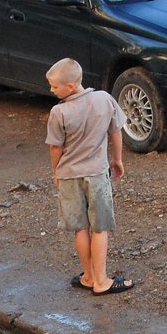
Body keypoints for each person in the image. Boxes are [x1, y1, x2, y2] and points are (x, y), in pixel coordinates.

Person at [46, 58, 134, 295]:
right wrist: (117, 160)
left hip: (68, 176)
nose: (51, 90)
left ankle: (89, 276)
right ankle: (102, 281)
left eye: (54, 86)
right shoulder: (104, 99)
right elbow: (116, 131)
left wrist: (56, 172)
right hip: (96, 174)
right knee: (100, 227)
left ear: (71, 86)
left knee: (80, 228)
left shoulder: (58, 112)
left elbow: (56, 147)